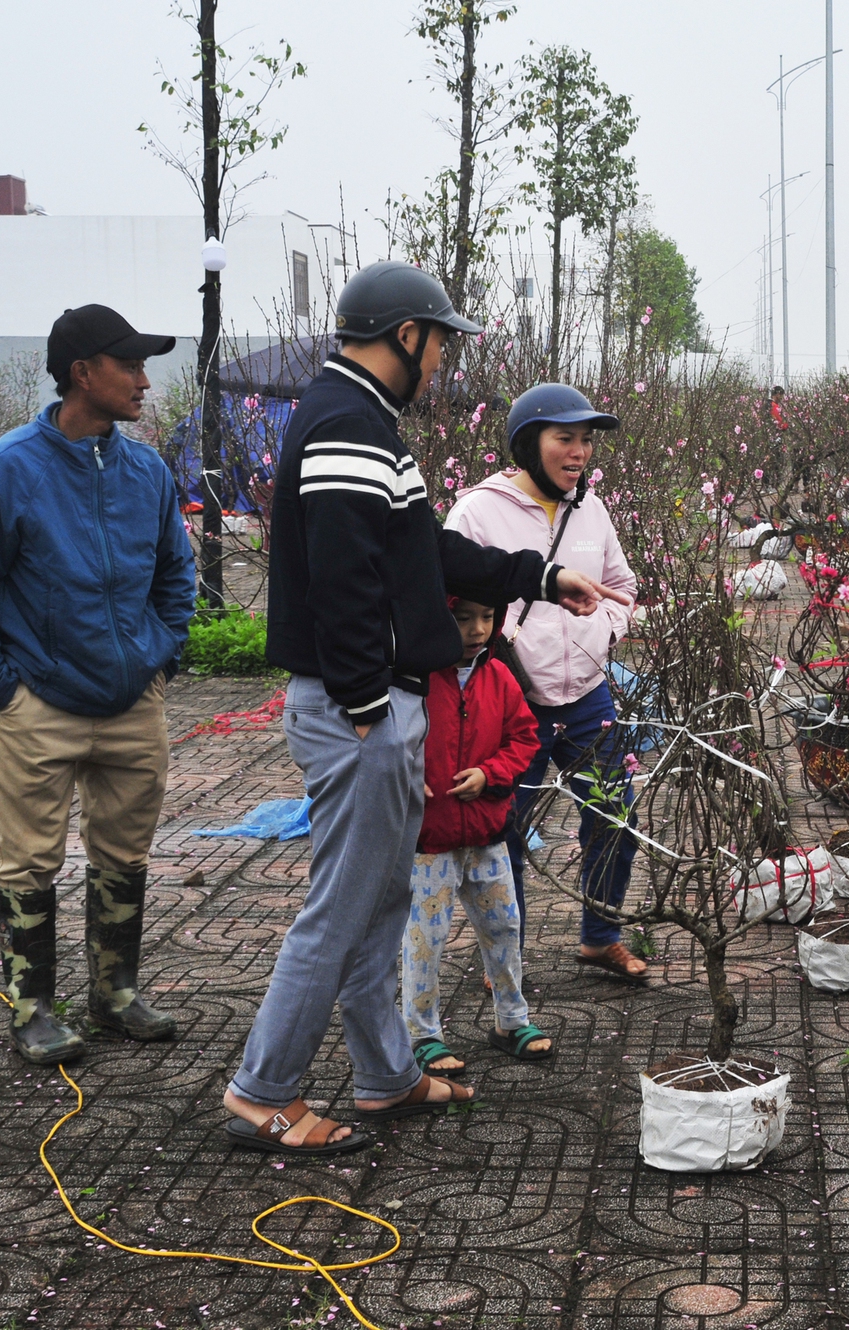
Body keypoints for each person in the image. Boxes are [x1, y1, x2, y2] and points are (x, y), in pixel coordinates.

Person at [222, 264, 620, 1157]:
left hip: (378, 703)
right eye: (439, 340)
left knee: (383, 898)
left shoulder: (364, 422)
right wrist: (368, 704)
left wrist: (540, 577)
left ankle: (386, 1075)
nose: (442, 359)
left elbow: (419, 556)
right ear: (406, 335)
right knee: (343, 905)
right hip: (363, 707)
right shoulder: (347, 425)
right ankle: (263, 1092)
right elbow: (343, 576)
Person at [0, 305, 194, 1066]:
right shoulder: (10, 468)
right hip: (39, 705)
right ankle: (33, 1009)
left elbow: (177, 576)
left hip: (130, 704)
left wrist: (161, 655)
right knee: (28, 861)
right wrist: (2, 690)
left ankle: (114, 996)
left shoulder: (147, 469)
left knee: (125, 852)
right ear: (83, 373)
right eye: (129, 365)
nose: (145, 381)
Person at [444, 383, 644, 985]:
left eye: (586, 440)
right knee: (504, 832)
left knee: (615, 818)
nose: (579, 451)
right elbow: (447, 597)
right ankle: (505, 954)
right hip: (510, 702)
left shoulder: (593, 509)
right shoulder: (478, 512)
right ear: (529, 444)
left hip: (588, 695)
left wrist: (604, 631)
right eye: (565, 438)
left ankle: (600, 937)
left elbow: (622, 588)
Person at [399, 593, 551, 1074]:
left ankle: (512, 1020)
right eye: (462, 619)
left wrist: (491, 773)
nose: (477, 630)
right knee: (427, 937)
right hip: (431, 838)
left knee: (504, 927)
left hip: (488, 832)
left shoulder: (500, 678)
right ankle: (422, 1034)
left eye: (487, 618)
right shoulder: (413, 682)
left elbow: (524, 737)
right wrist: (406, 772)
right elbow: (390, 737)